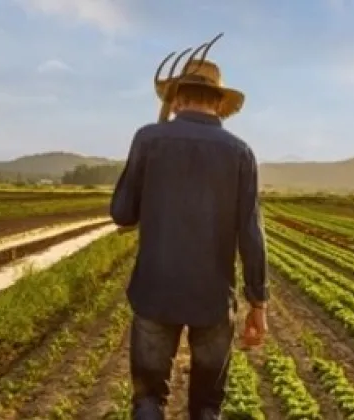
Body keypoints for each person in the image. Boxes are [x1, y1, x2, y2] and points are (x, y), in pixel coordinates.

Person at [110, 57, 268, 420]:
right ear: (218, 104)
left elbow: (122, 212)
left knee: (148, 402)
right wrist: (257, 303)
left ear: (177, 99)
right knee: (207, 408)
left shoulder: (148, 138)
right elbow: (251, 234)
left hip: (154, 293)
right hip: (212, 300)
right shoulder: (241, 153)